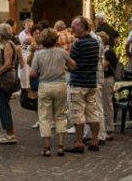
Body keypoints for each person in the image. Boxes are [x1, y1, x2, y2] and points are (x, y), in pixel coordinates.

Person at [30, 27, 72, 156]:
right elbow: (73, 65)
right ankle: (60, 146)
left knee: (45, 117)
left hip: (45, 85)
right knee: (61, 116)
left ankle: (47, 148)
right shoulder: (62, 52)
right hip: (60, 85)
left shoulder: (38, 54)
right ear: (55, 39)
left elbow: (32, 73)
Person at [65, 16, 102, 153]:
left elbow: (71, 62)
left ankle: (79, 143)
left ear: (82, 27)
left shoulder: (79, 43)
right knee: (93, 112)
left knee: (77, 113)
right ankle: (95, 141)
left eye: (74, 25)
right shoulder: (95, 42)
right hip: (91, 82)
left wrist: (69, 65)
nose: (72, 28)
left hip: (78, 82)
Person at [0, 23, 19, 145]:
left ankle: (10, 134)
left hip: (4, 79)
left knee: (3, 106)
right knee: (3, 105)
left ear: (0, 35)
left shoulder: (7, 45)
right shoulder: (6, 45)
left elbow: (7, 64)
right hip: (4, 78)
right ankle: (8, 132)